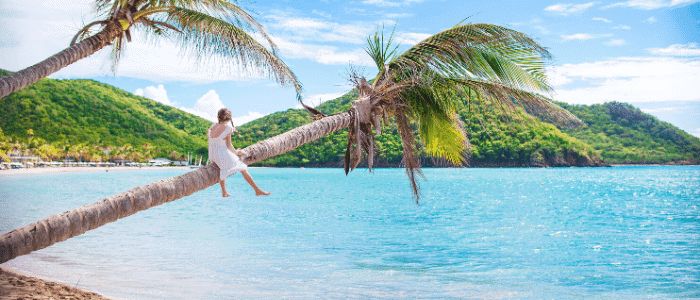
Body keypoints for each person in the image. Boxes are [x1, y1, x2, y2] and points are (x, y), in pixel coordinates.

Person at [207, 108, 270, 198]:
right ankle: (257, 190)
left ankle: (224, 192)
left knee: (221, 168)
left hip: (212, 156)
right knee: (242, 167)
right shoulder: (228, 128)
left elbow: (211, 136)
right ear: (229, 119)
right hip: (221, 156)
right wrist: (237, 152)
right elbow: (229, 145)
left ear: (218, 117)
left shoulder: (213, 126)